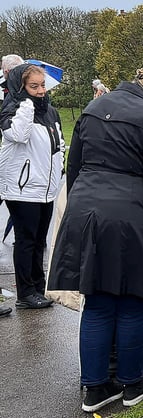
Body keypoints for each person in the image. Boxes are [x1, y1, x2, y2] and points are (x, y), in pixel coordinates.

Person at [49, 69, 143, 413]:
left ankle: (94, 387)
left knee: (98, 301)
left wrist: (79, 207)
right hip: (129, 213)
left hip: (85, 209)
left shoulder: (93, 109)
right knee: (132, 301)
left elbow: (73, 168)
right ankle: (132, 383)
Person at [0, 63, 64, 310]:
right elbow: (18, 134)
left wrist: (59, 169)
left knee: (40, 241)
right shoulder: (12, 111)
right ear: (21, 87)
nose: (40, 91)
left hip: (45, 188)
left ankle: (38, 285)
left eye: (43, 85)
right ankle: (25, 292)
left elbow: (57, 145)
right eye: (34, 86)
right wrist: (25, 104)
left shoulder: (51, 112)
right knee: (26, 241)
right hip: (22, 188)